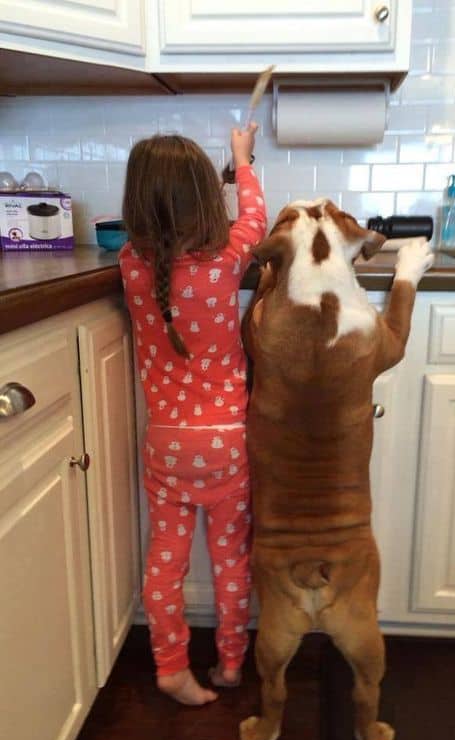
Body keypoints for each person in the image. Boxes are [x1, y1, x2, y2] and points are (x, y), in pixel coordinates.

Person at [119, 126, 266, 705]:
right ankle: (231, 664)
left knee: (165, 560)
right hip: (227, 442)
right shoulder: (229, 259)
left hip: (165, 446)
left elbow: (163, 247)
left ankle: (171, 667)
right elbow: (254, 214)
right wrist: (241, 160)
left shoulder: (131, 266)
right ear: (207, 199)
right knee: (231, 559)